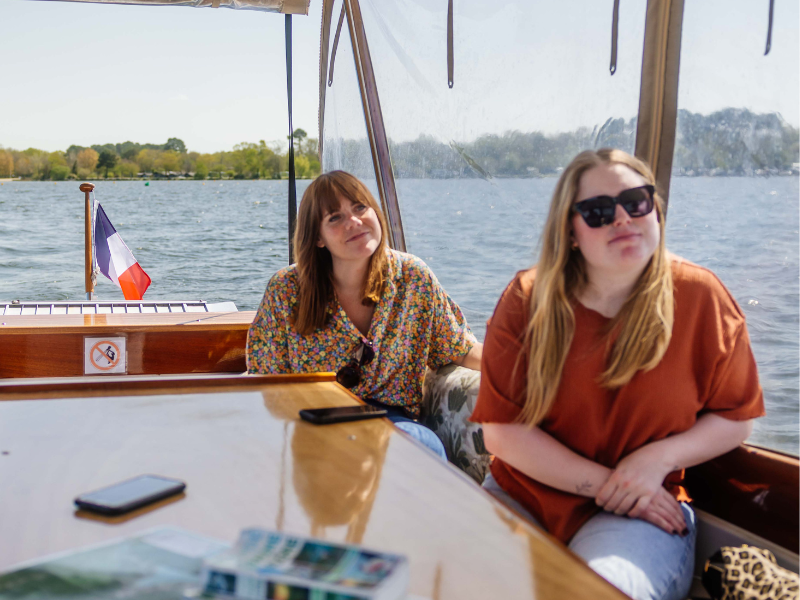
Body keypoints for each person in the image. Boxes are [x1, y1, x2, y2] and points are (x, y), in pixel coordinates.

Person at [470, 149, 764, 600]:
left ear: (655, 210)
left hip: (637, 514)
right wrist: (615, 484)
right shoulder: (527, 300)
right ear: (570, 231)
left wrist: (656, 460)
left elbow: (736, 416)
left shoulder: (700, 296)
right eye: (598, 211)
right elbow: (504, 435)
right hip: (523, 496)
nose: (623, 218)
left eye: (636, 202)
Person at [247, 170, 482, 459]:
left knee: (422, 444)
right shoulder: (286, 289)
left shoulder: (413, 277)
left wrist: (523, 366)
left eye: (360, 207)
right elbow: (266, 381)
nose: (354, 222)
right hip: (312, 423)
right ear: (318, 237)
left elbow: (459, 348)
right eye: (335, 217)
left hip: (392, 421)